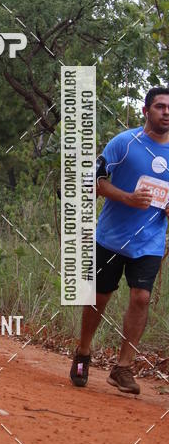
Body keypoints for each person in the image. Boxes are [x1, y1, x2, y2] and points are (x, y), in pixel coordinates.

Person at [70, 86, 169, 395]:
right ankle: (83, 353)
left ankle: (123, 368)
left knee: (141, 298)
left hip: (150, 242)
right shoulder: (124, 144)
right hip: (111, 239)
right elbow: (92, 182)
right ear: (146, 111)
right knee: (99, 299)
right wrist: (127, 197)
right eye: (160, 107)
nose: (166, 112)